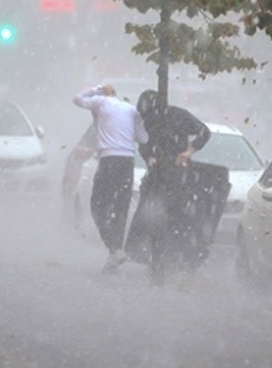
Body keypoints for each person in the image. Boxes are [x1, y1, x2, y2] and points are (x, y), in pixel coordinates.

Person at [132, 89, 213, 283]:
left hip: (178, 176)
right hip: (156, 176)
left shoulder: (178, 115)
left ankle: (176, 258)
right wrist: (149, 157)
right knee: (151, 217)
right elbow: (143, 143)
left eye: (149, 115)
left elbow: (204, 131)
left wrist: (189, 151)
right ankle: (154, 258)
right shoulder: (148, 122)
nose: (148, 120)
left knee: (178, 218)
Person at [73, 83, 148, 273]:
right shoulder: (131, 109)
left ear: (106, 94)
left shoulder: (101, 102)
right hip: (127, 162)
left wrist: (97, 89)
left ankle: (114, 249)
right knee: (120, 208)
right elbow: (142, 138)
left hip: (109, 160)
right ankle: (115, 253)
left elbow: (77, 99)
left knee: (97, 206)